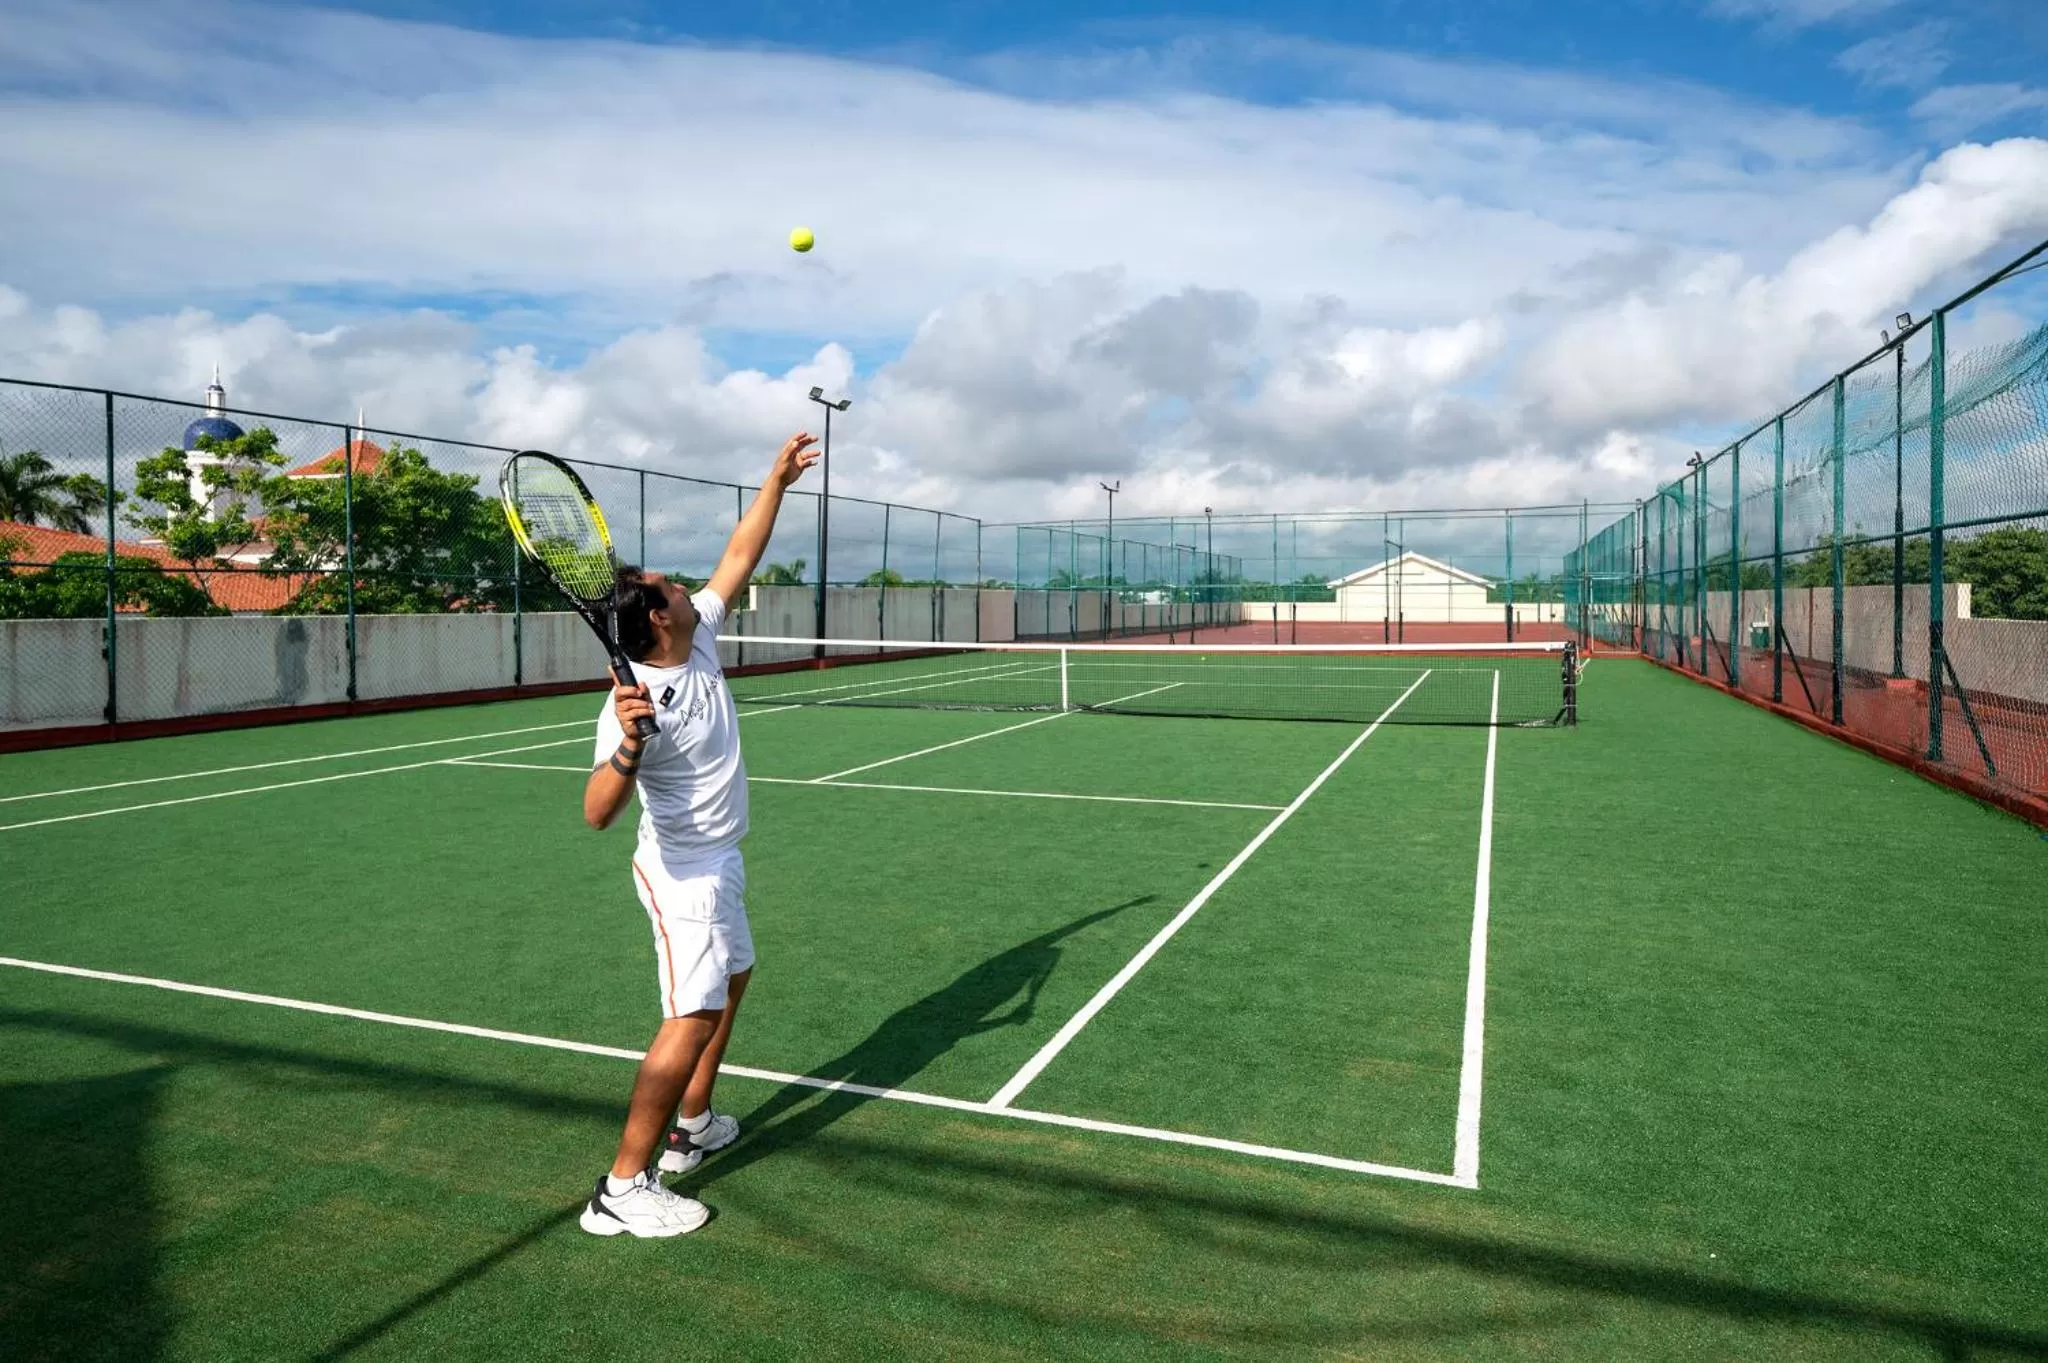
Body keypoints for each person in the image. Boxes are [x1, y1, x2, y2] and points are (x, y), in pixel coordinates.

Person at [578, 431, 820, 1238]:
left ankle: (693, 1124)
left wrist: (775, 481)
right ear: (655, 616)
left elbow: (738, 556)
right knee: (688, 1016)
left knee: (733, 981)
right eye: (665, 584)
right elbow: (596, 811)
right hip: (686, 875)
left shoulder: (700, 632)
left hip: (722, 858)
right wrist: (628, 745)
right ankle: (622, 1185)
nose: (682, 584)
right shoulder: (632, 701)